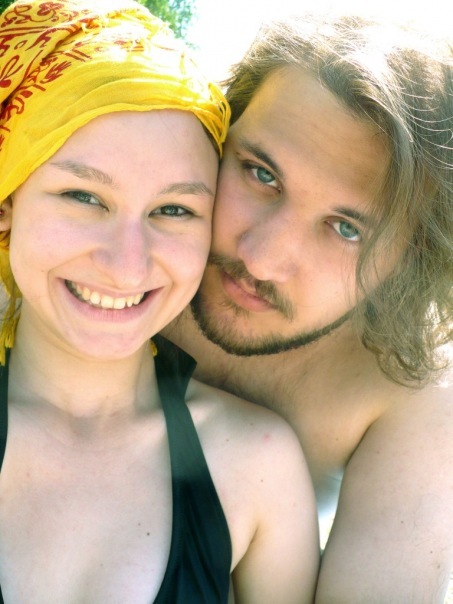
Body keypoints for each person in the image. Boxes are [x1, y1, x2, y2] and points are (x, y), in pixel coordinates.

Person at [0, 1, 320, 603]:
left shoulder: (256, 465)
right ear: (7, 205)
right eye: (83, 196)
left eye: (174, 209)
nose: (128, 264)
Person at [164, 9, 453, 603]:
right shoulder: (101, 247)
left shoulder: (409, 391)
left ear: (414, 258)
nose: (262, 260)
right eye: (260, 173)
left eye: (346, 229)